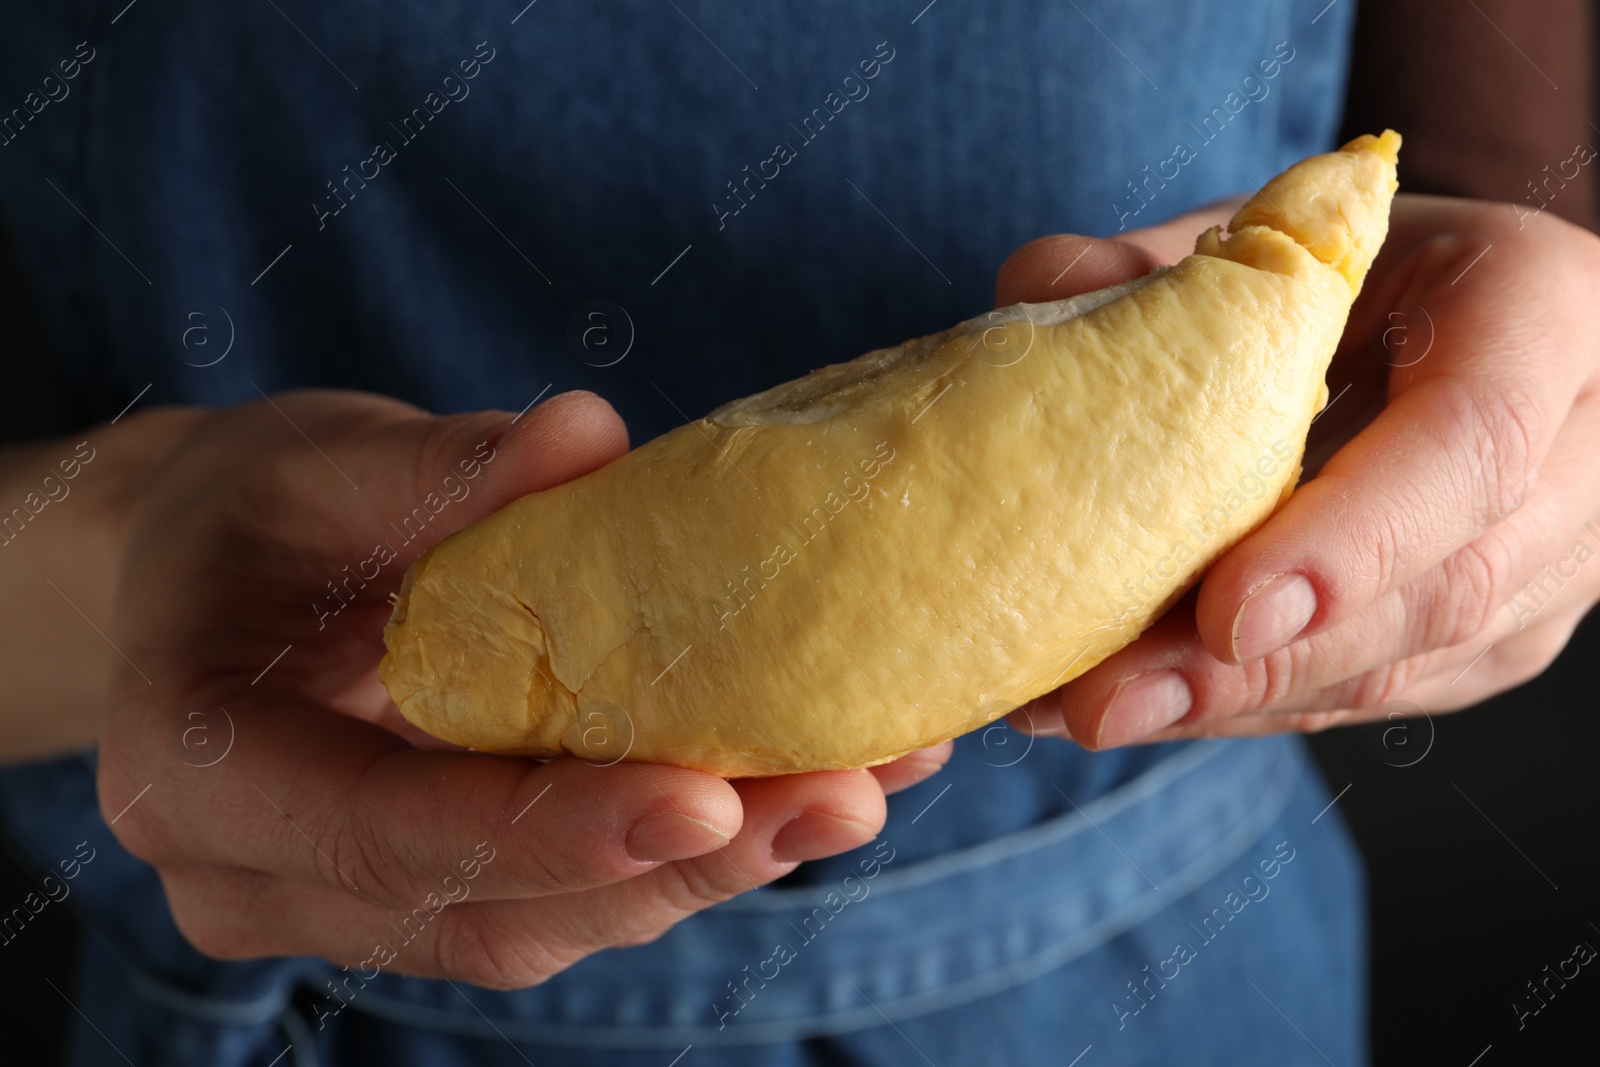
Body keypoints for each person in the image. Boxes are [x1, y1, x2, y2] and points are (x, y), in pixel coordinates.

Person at [0, 2, 1593, 1064]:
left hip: (1148, 964)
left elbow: (1476, 168)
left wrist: (1527, 359)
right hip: (269, 979)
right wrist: (101, 560)